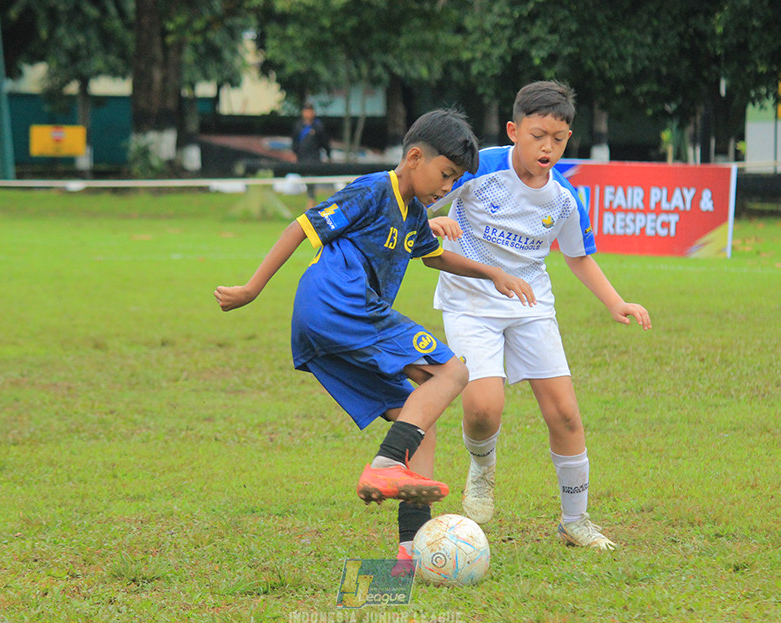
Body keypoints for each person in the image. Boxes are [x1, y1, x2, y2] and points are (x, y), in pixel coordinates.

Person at [216, 109, 536, 568]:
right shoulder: (373, 190)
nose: (446, 189)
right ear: (413, 157)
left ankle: (412, 551)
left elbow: (435, 257)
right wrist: (251, 289)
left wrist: (492, 272)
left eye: (454, 181)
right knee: (453, 371)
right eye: (444, 175)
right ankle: (385, 465)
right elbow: (301, 227)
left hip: (325, 327)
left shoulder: (414, 214)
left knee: (419, 424)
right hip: (342, 306)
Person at [430, 81, 651, 550]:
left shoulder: (564, 199)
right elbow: (417, 198)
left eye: (559, 137)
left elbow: (579, 256)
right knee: (484, 409)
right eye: (537, 135)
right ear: (514, 130)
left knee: (566, 415)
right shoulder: (479, 168)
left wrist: (617, 302)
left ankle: (575, 520)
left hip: (530, 307)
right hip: (470, 302)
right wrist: (430, 222)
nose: (547, 146)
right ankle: (483, 466)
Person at [290, 102, 331, 207]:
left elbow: (325, 142)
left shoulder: (318, 126)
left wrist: (328, 154)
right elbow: (294, 142)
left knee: (311, 178)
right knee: (306, 179)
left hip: (314, 158)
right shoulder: (298, 126)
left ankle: (311, 201)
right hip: (301, 158)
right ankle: (311, 201)